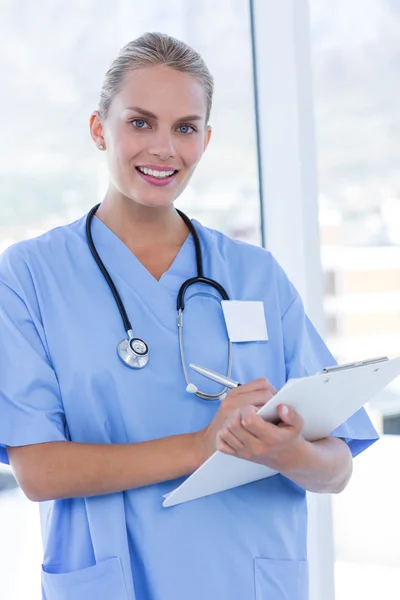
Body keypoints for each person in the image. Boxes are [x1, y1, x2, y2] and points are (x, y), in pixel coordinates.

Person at [0, 32, 378, 600]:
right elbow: (39, 472)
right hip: (115, 580)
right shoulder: (30, 276)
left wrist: (290, 452)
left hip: (248, 576)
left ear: (204, 138)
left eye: (185, 128)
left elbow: (336, 468)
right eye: (140, 122)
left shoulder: (255, 274)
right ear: (100, 128)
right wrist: (203, 446)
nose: (164, 148)